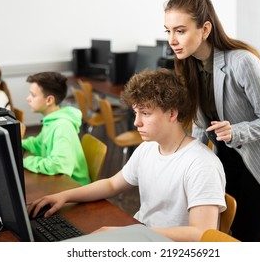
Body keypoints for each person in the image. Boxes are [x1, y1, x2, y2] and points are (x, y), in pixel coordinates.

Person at [27, 68, 226, 242]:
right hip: (142, 236)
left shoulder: (201, 164)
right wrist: (64, 196)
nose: (136, 123)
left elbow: (202, 234)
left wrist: (133, 233)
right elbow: (112, 184)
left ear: (172, 114)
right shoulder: (148, 148)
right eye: (135, 113)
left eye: (145, 114)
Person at [163, 0, 260, 241]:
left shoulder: (242, 62)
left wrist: (236, 131)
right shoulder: (188, 66)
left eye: (180, 30)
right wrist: (189, 157)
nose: (172, 39)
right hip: (225, 157)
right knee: (221, 231)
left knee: (246, 234)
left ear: (205, 29)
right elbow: (201, 126)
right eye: (168, 31)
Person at [22, 71, 90, 186]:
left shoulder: (62, 127)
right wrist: (17, 143)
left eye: (33, 95)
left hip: (73, 188)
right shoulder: (51, 121)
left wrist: (25, 161)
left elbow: (59, 166)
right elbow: (38, 144)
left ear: (49, 100)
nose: (27, 99)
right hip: (61, 184)